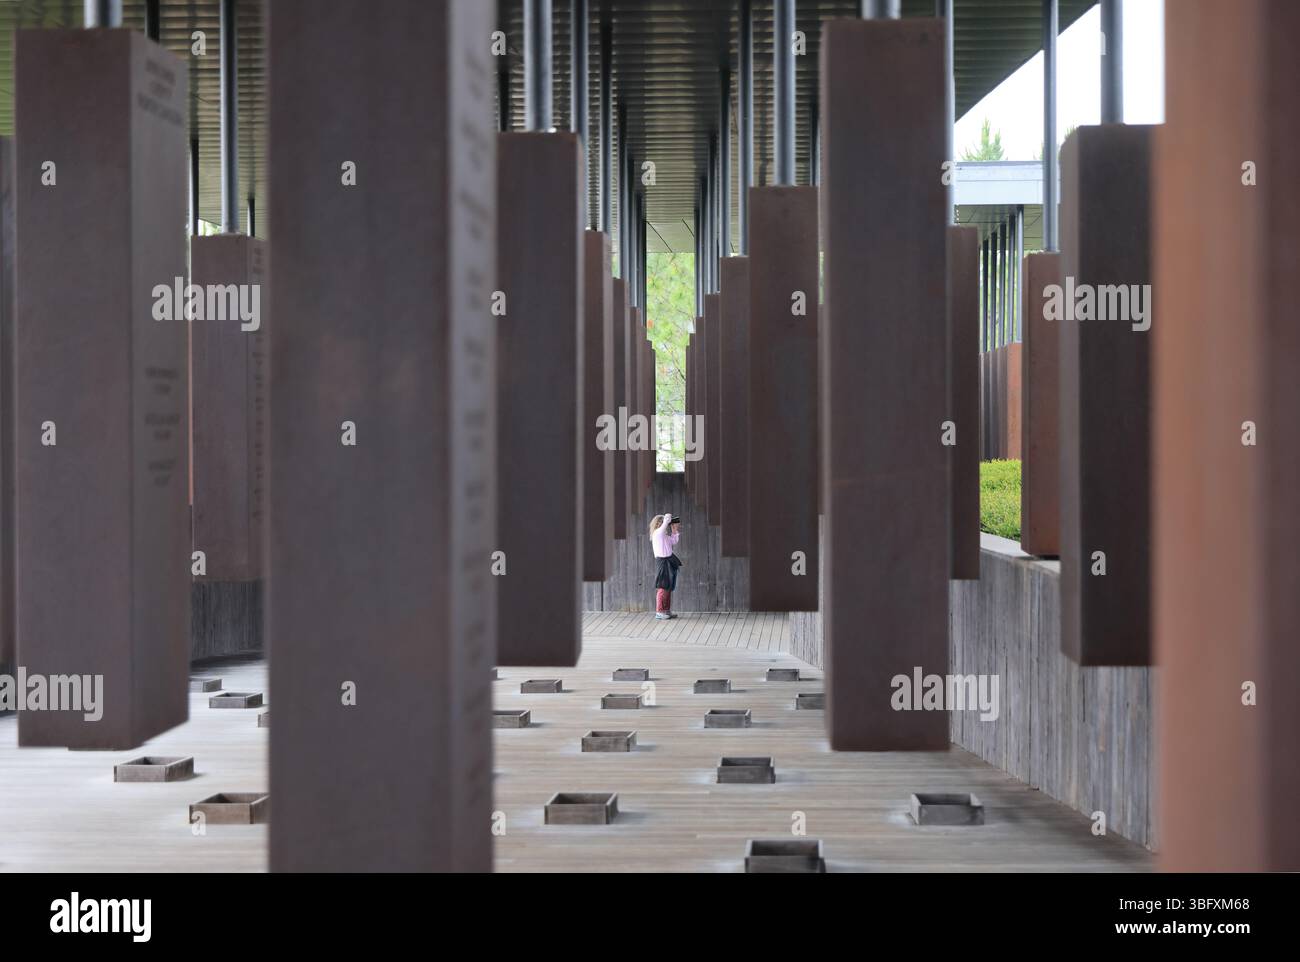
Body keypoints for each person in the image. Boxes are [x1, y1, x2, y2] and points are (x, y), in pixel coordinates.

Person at [649, 513, 683, 620]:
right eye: (662, 522)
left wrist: (674, 531)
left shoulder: (664, 536)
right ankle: (659, 612)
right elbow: (665, 523)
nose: (665, 524)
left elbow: (674, 541)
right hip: (663, 562)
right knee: (663, 587)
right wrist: (667, 517)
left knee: (668, 587)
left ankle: (666, 610)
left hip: (669, 561)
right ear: (659, 523)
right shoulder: (657, 533)